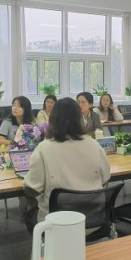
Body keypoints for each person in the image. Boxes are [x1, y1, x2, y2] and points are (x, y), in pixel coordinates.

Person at [23, 98, 111, 232]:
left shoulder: (44, 148)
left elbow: (32, 188)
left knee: (29, 213)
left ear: (52, 120)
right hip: (93, 220)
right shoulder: (94, 145)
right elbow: (105, 178)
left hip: (56, 225)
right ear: (80, 119)